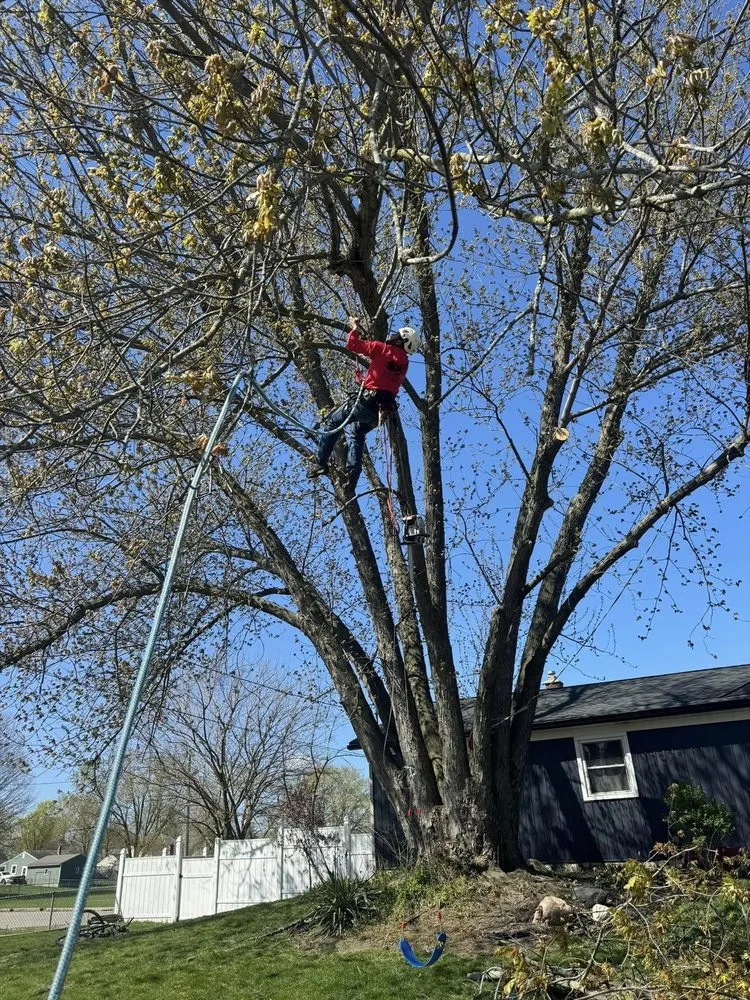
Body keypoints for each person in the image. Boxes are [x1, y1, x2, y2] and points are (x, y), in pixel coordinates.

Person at [309, 316, 422, 485]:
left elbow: (353, 345)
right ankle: (352, 475)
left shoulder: (381, 348)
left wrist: (354, 329)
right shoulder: (404, 363)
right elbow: (384, 374)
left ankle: (320, 462)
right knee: (357, 434)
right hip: (379, 413)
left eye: (395, 335)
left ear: (400, 341)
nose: (391, 335)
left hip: (366, 403)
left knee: (333, 422)